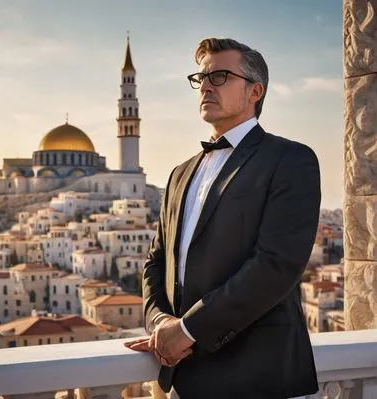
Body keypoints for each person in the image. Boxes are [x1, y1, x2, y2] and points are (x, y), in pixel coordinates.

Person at [124, 37, 321, 399]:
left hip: (259, 377)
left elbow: (276, 265)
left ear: (254, 91)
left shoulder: (290, 160)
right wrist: (161, 323)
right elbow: (156, 262)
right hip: (184, 377)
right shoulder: (180, 173)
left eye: (220, 77)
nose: (206, 88)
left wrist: (187, 330)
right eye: (201, 79)